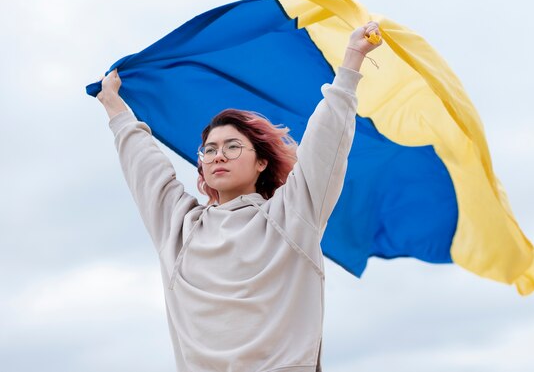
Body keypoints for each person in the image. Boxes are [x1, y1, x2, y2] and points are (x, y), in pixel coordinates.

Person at [97, 21, 383, 372]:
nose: (218, 155)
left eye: (233, 147)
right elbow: (146, 168)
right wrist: (114, 108)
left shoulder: (292, 216)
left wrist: (352, 61)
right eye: (210, 149)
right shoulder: (180, 228)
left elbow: (325, 146)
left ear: (262, 161)